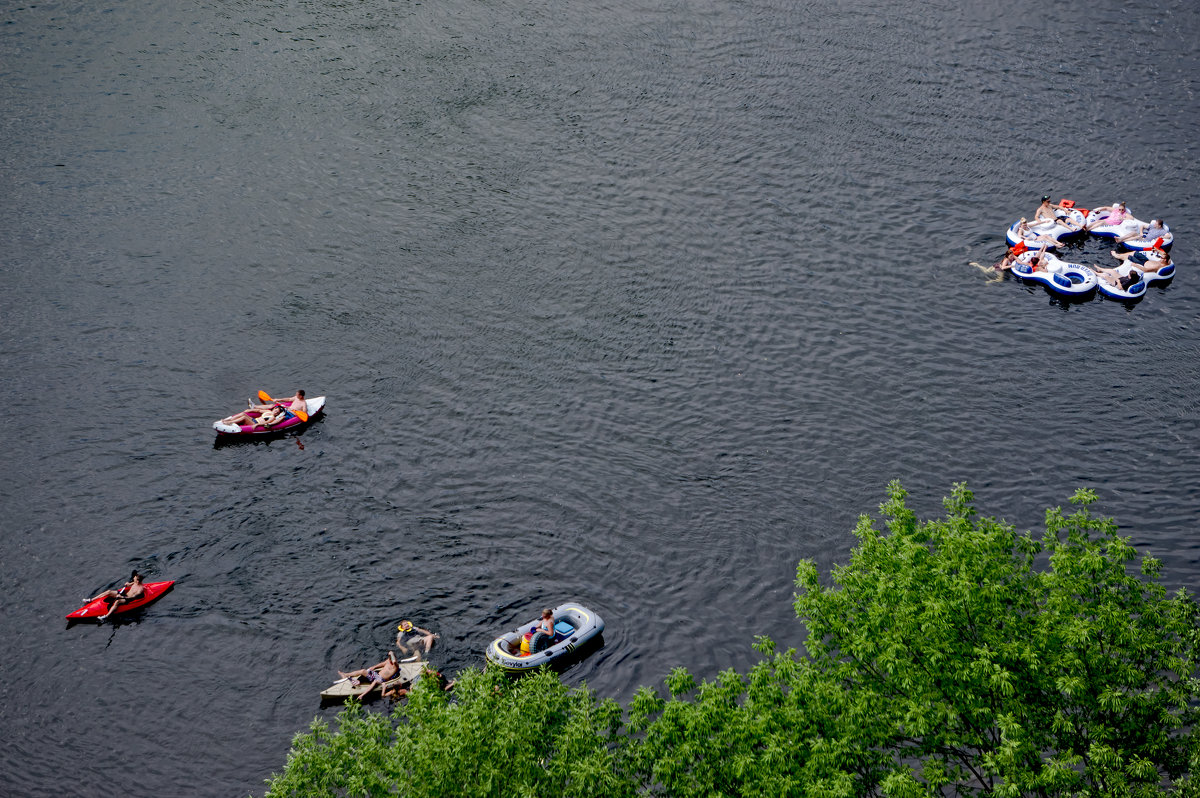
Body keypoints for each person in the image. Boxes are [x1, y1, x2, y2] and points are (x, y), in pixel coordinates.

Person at [219, 404, 287, 428]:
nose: (275, 412)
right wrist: (249, 410)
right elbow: (258, 411)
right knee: (243, 414)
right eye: (275, 410)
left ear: (277, 414)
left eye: (277, 412)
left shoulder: (272, 417)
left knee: (244, 417)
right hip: (254, 420)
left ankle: (230, 423)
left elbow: (266, 423)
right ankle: (228, 420)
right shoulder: (268, 411)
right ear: (274, 409)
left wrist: (257, 425)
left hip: (256, 423)